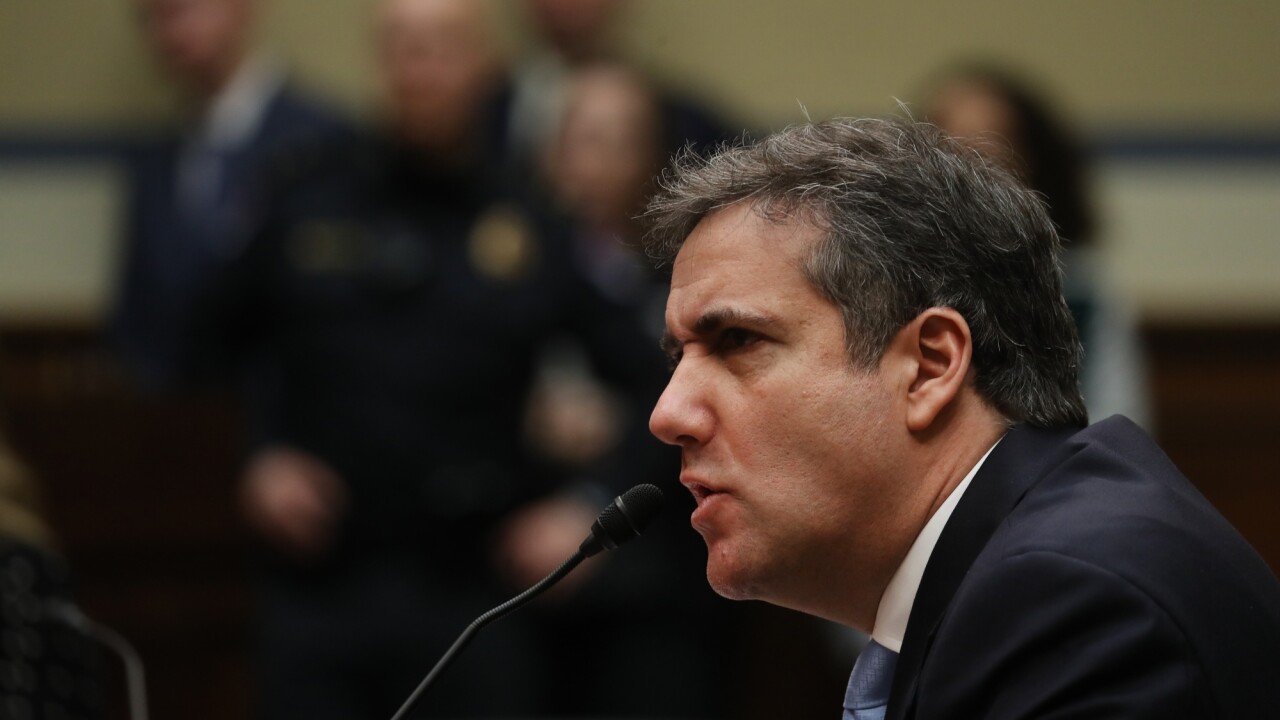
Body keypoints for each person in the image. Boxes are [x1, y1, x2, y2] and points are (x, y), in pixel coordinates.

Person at [642, 117, 1280, 718]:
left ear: (929, 366)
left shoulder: (1070, 603)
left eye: (737, 341)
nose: (668, 414)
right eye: (677, 356)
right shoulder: (1015, 570)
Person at [113, 0, 351, 388]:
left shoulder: (325, 143)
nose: (171, 31)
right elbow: (135, 321)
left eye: (185, 7)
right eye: (154, 16)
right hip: (168, 428)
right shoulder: (156, 161)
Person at [922, 64, 1151, 428]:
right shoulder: (898, 281)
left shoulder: (1081, 292)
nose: (967, 172)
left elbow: (1120, 427)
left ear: (1029, 166)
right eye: (949, 149)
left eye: (988, 150)